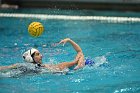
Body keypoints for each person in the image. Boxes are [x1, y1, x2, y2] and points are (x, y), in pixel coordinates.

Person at [0, 38, 85, 72]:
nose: (41, 55)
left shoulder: (21, 66)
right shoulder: (41, 67)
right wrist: (74, 61)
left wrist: (69, 40)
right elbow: (60, 66)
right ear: (30, 58)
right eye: (38, 54)